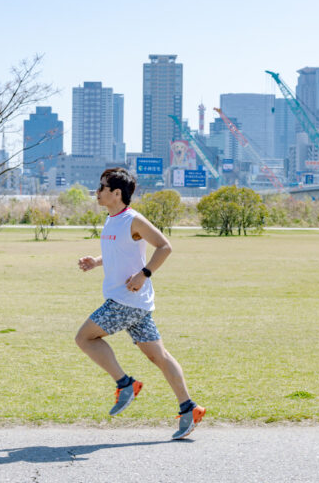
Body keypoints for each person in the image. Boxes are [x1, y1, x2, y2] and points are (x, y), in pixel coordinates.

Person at [75, 167, 205, 439]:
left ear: (116, 193)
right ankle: (189, 408)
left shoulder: (133, 220)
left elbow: (164, 246)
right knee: (158, 356)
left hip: (126, 301)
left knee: (85, 338)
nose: (97, 192)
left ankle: (125, 385)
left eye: (101, 187)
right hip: (136, 303)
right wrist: (96, 262)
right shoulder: (112, 219)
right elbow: (119, 252)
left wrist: (144, 274)